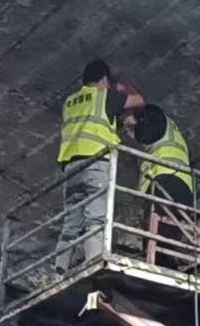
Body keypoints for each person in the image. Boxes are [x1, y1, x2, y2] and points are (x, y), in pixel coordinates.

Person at [131, 104, 200, 287]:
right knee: (171, 231)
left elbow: (146, 132)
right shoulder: (171, 133)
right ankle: (164, 271)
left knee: (160, 229)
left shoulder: (158, 121)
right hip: (176, 183)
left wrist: (131, 125)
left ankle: (158, 273)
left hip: (166, 179)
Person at [54, 58, 139, 271]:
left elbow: (94, 121)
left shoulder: (70, 101)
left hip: (71, 168)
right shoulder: (104, 95)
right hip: (95, 162)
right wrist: (121, 89)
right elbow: (138, 101)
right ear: (103, 79)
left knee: (71, 221)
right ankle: (94, 262)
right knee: (95, 217)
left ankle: (60, 266)